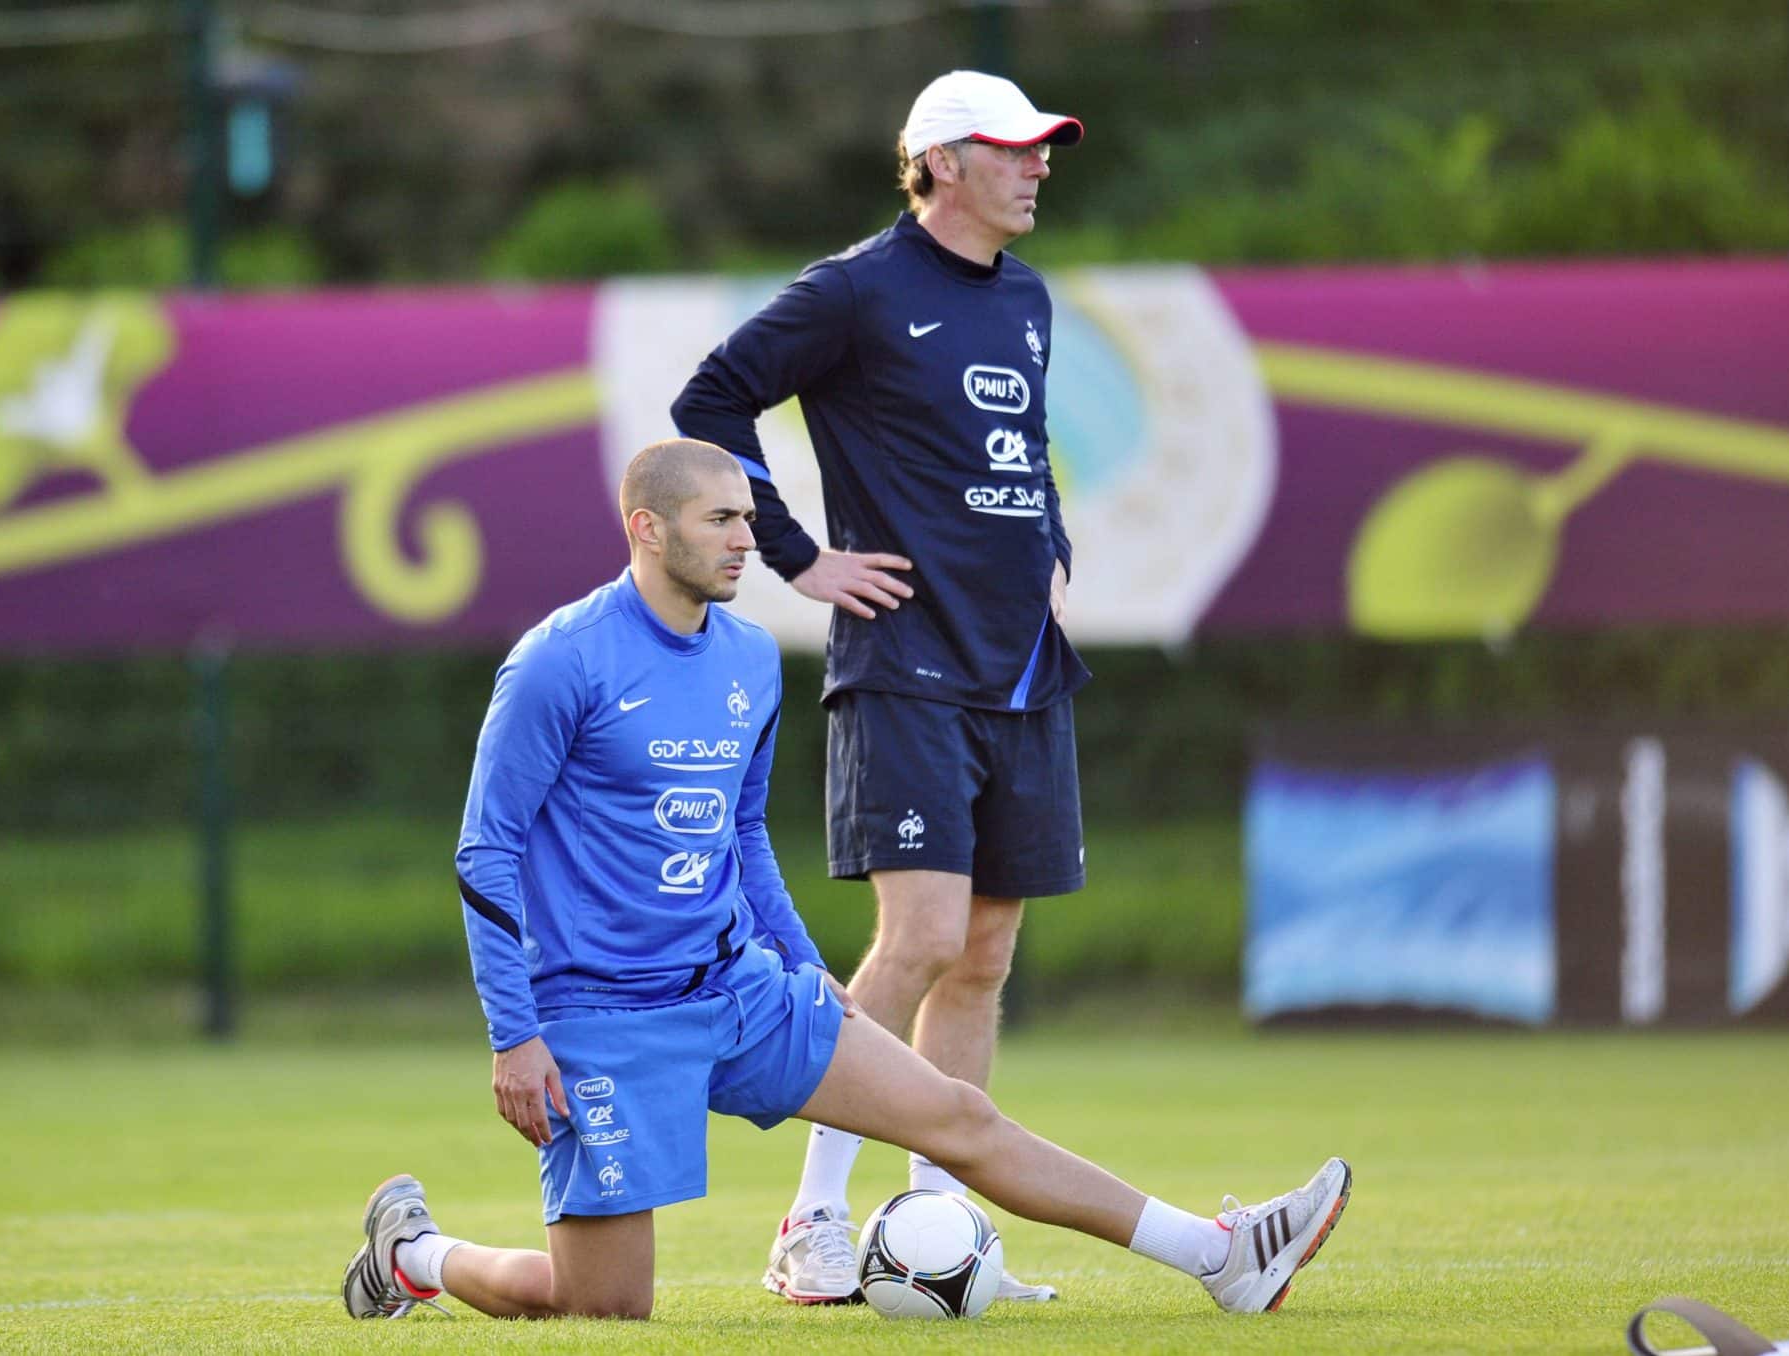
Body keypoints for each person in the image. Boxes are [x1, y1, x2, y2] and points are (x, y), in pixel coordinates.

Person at [340, 439, 1351, 1323]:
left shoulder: (744, 657)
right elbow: (486, 851)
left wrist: (796, 962)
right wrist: (514, 1035)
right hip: (602, 1017)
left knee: (959, 1118)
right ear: (646, 529)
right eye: (722, 520)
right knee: (603, 1305)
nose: (747, 539)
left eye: (749, 517)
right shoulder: (559, 662)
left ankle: (1221, 1257)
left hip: (738, 992)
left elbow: (741, 837)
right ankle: (413, 1255)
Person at [669, 70, 1097, 1302]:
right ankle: (807, 1226)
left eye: (1043, 148)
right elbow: (710, 398)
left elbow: (1021, 451)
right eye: (1013, 149)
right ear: (941, 162)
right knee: (915, 938)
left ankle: (940, 1241)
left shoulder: (1025, 299)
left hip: (1019, 665)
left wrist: (1049, 541)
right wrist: (799, 559)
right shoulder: (855, 287)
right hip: (904, 662)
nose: (1038, 165)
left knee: (985, 951)